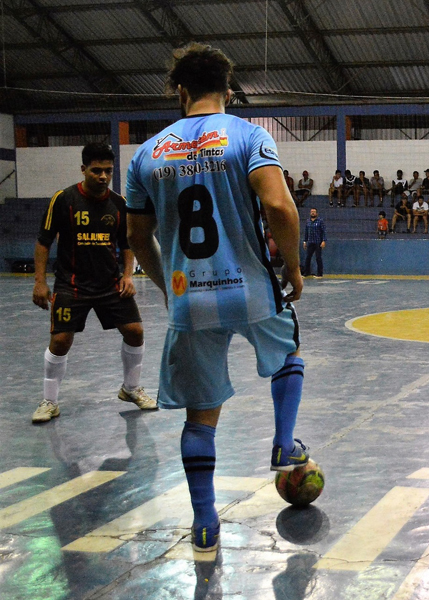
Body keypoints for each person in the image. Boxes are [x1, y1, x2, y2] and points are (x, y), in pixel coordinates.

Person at [125, 43, 308, 553]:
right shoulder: (248, 135)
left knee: (199, 415)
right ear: (228, 91)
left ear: (180, 92)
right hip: (250, 288)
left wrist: (169, 286)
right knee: (288, 353)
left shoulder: (146, 154)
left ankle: (205, 524)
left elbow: (139, 239)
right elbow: (279, 205)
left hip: (190, 300)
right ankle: (283, 444)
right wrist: (291, 266)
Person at [31, 142, 156, 423]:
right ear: (83, 169)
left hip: (110, 284)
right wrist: (40, 282)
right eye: (96, 170)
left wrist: (127, 275)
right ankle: (49, 401)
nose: (103, 176)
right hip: (70, 285)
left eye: (108, 171)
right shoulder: (63, 200)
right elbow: (43, 243)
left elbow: (127, 244)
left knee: (135, 331)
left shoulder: (120, 204)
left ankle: (131, 388)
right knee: (61, 340)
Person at [303, 208, 327, 277]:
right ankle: (306, 273)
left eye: (314, 212)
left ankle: (320, 274)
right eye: (311, 212)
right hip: (310, 242)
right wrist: (305, 241)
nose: (312, 213)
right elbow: (306, 232)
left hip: (318, 242)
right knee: (308, 257)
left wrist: (324, 240)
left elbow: (324, 231)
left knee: (318, 257)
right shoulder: (308, 221)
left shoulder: (320, 221)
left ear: (317, 213)